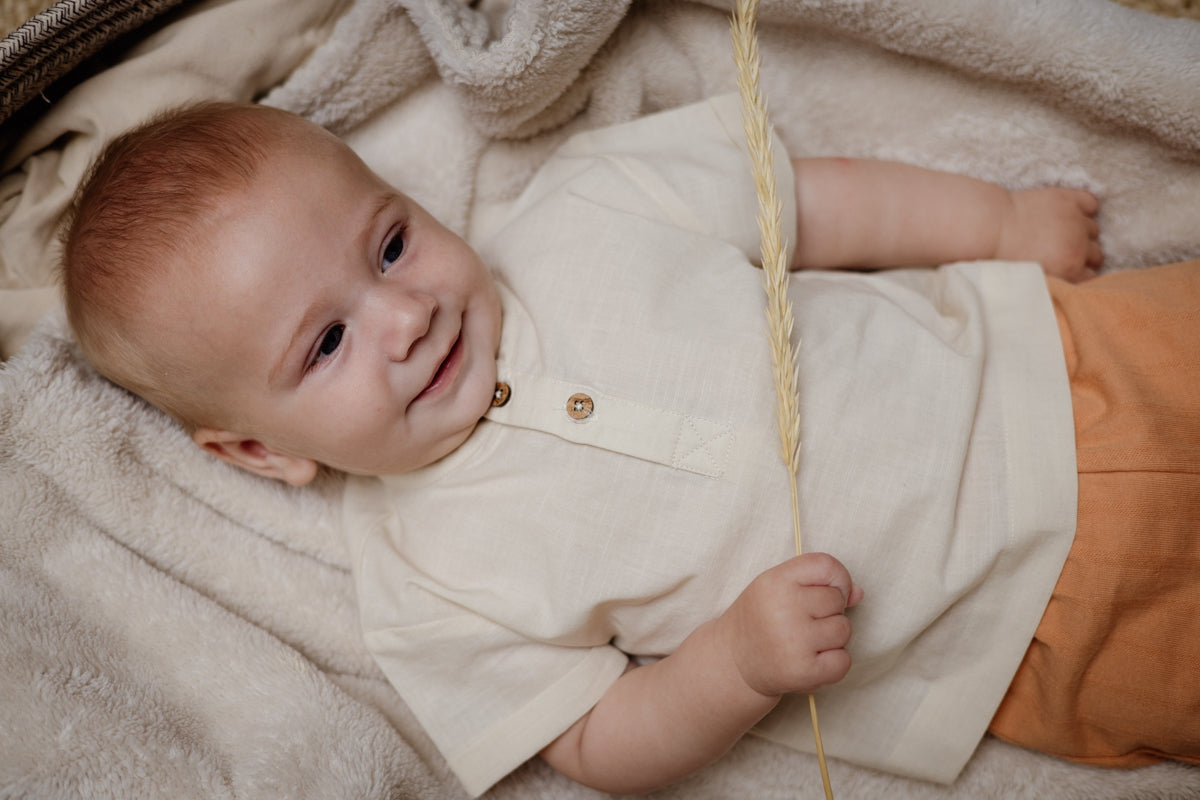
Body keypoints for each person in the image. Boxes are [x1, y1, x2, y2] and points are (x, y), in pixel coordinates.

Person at [61, 96, 1198, 797]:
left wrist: (995, 225)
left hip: (1057, 356)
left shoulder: (583, 206)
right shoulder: (427, 586)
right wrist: (732, 666)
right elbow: (597, 739)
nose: (402, 317)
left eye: (392, 241)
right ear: (261, 451)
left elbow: (805, 203)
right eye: (326, 342)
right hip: (1020, 623)